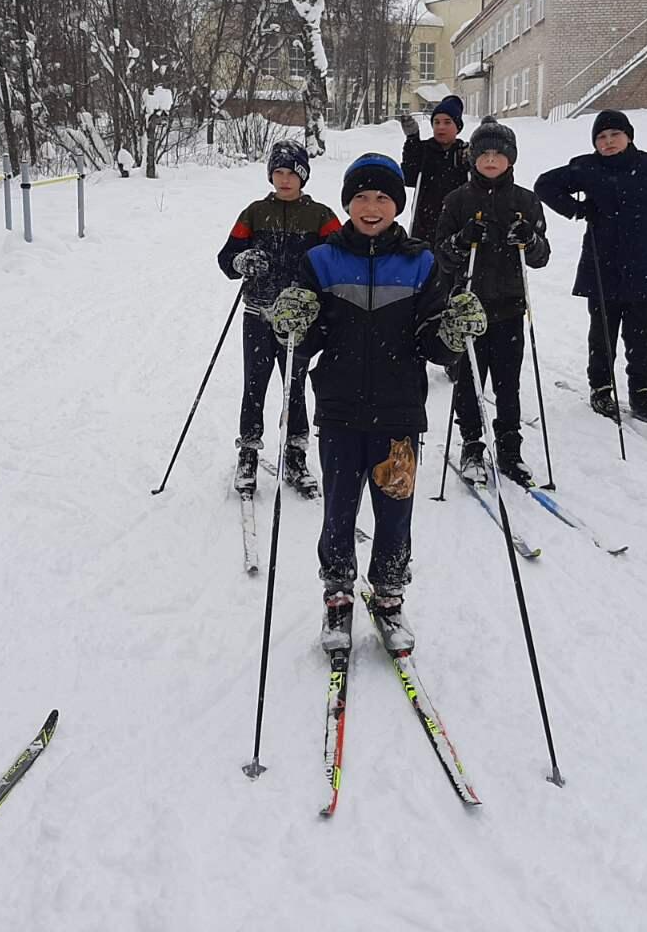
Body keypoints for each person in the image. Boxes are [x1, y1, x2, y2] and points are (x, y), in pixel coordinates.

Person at [264, 153, 485, 655]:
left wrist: (452, 333)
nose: (371, 206)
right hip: (339, 411)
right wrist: (291, 323)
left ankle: (388, 595)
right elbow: (307, 339)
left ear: (397, 205)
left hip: (399, 414)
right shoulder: (321, 260)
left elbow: (432, 344)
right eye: (361, 197)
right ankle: (338, 595)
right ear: (347, 203)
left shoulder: (420, 262)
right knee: (338, 511)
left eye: (382, 197)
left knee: (394, 511)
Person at [534, 109, 647, 424]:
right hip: (601, 264)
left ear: (628, 136)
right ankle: (601, 389)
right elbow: (545, 185)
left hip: (641, 266)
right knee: (602, 333)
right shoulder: (587, 167)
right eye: (601, 137)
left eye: (615, 134)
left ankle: (641, 393)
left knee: (642, 336)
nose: (608, 141)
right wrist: (576, 209)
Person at [216, 139, 340, 498]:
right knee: (254, 385)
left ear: (303, 176)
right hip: (257, 313)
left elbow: (338, 259)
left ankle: (296, 456)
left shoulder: (321, 216)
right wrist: (242, 261)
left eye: (292, 173)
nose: (285, 180)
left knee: (295, 387)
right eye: (278, 172)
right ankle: (248, 453)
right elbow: (226, 258)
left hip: (297, 321)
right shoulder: (254, 213)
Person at [432, 117, 551, 487]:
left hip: (510, 307)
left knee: (508, 382)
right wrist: (461, 240)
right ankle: (471, 444)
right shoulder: (457, 200)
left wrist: (530, 239)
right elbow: (441, 255)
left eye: (498, 154)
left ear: (510, 159)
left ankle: (510, 447)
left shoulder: (526, 201)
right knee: (469, 381)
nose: (491, 160)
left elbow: (542, 256)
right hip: (469, 308)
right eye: (484, 153)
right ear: (473, 158)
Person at [399, 94, 472, 242]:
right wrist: (412, 139)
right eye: (436, 122)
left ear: (457, 127)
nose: (440, 127)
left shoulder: (464, 153)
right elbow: (409, 177)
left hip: (456, 225)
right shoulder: (424, 150)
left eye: (447, 122)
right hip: (425, 224)